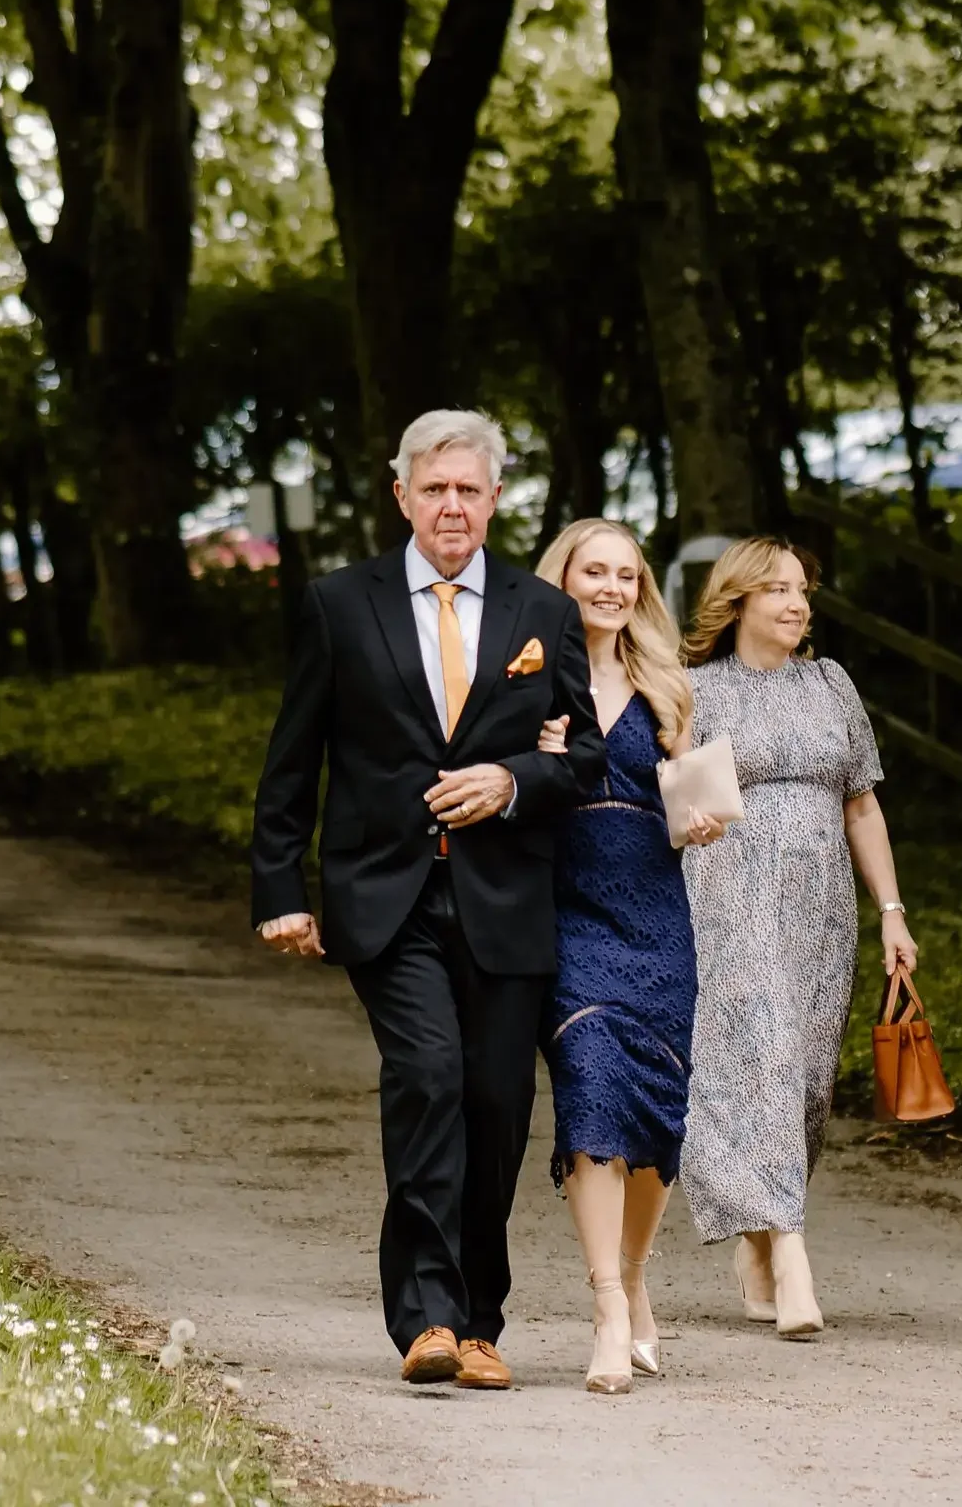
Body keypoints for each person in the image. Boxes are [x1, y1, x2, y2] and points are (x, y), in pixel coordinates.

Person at [249, 410, 606, 1393]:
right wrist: (280, 888)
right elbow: (295, 759)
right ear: (401, 494)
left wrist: (511, 782)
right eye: (434, 488)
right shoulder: (338, 603)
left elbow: (584, 759)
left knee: (498, 1104)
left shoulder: (543, 612)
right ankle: (428, 1318)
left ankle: (482, 1321)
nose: (452, 506)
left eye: (470, 489)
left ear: (495, 501)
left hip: (506, 897)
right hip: (385, 892)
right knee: (429, 1078)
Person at [676, 536, 917, 1337]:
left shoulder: (830, 684)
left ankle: (758, 1237)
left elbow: (862, 805)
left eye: (803, 589)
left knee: (806, 1081)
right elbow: (681, 814)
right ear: (737, 599)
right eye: (777, 589)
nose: (796, 602)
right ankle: (792, 1252)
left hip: (822, 907)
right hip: (728, 897)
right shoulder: (697, 691)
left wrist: (892, 912)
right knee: (764, 1058)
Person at [530, 519, 720, 1395]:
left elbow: (695, 797)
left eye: (624, 574)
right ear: (561, 577)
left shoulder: (664, 685)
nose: (609, 587)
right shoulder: (525, 675)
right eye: (593, 571)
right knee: (593, 1086)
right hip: (566, 914)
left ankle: (637, 1271)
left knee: (656, 1121)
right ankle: (607, 1304)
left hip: (656, 914)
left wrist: (706, 809)